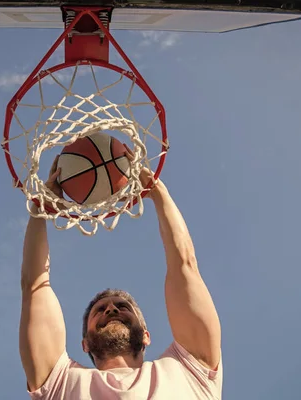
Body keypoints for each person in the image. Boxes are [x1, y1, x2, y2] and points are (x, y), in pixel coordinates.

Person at [19, 147, 222, 399]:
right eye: (100, 310)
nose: (112, 310)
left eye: (122, 306)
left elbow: (185, 265)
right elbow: (34, 287)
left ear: (147, 335)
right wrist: (41, 210)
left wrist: (157, 192)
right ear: (84, 344)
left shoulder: (190, 370)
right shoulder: (61, 383)